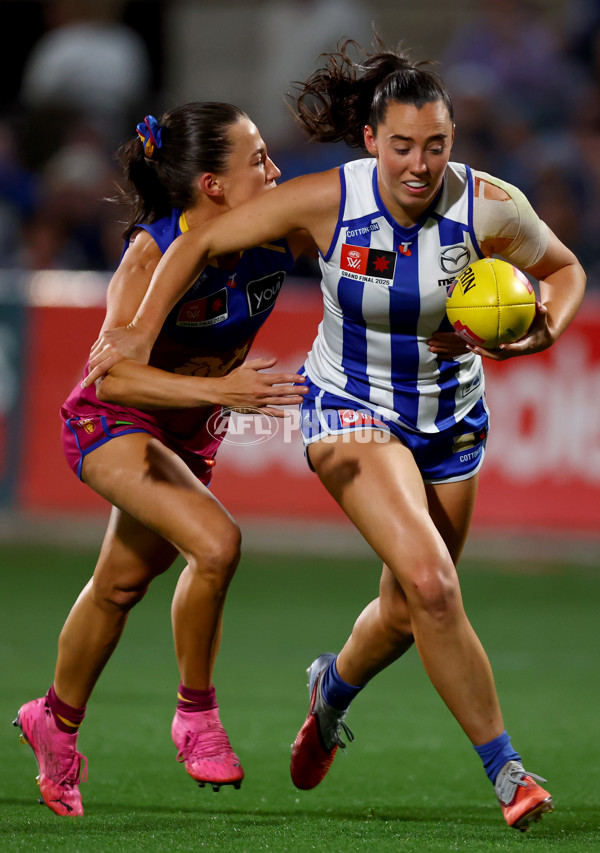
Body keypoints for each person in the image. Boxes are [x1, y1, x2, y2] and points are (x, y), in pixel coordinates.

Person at [83, 39, 586, 831]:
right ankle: (509, 770)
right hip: (349, 408)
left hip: (452, 419)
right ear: (371, 141)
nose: (418, 164)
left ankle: (332, 691)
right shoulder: (330, 199)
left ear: (452, 142)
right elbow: (198, 238)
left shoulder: (490, 204)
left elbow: (563, 271)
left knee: (402, 607)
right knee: (431, 583)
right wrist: (140, 328)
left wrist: (536, 333)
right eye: (401, 146)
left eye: (436, 145)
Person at [13, 101, 314, 817]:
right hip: (112, 422)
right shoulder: (153, 253)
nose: (275, 171)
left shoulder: (281, 234)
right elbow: (111, 374)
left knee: (119, 585)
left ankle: (53, 721)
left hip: (185, 438)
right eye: (258, 160)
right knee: (217, 544)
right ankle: (195, 713)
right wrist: (217, 388)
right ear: (213, 185)